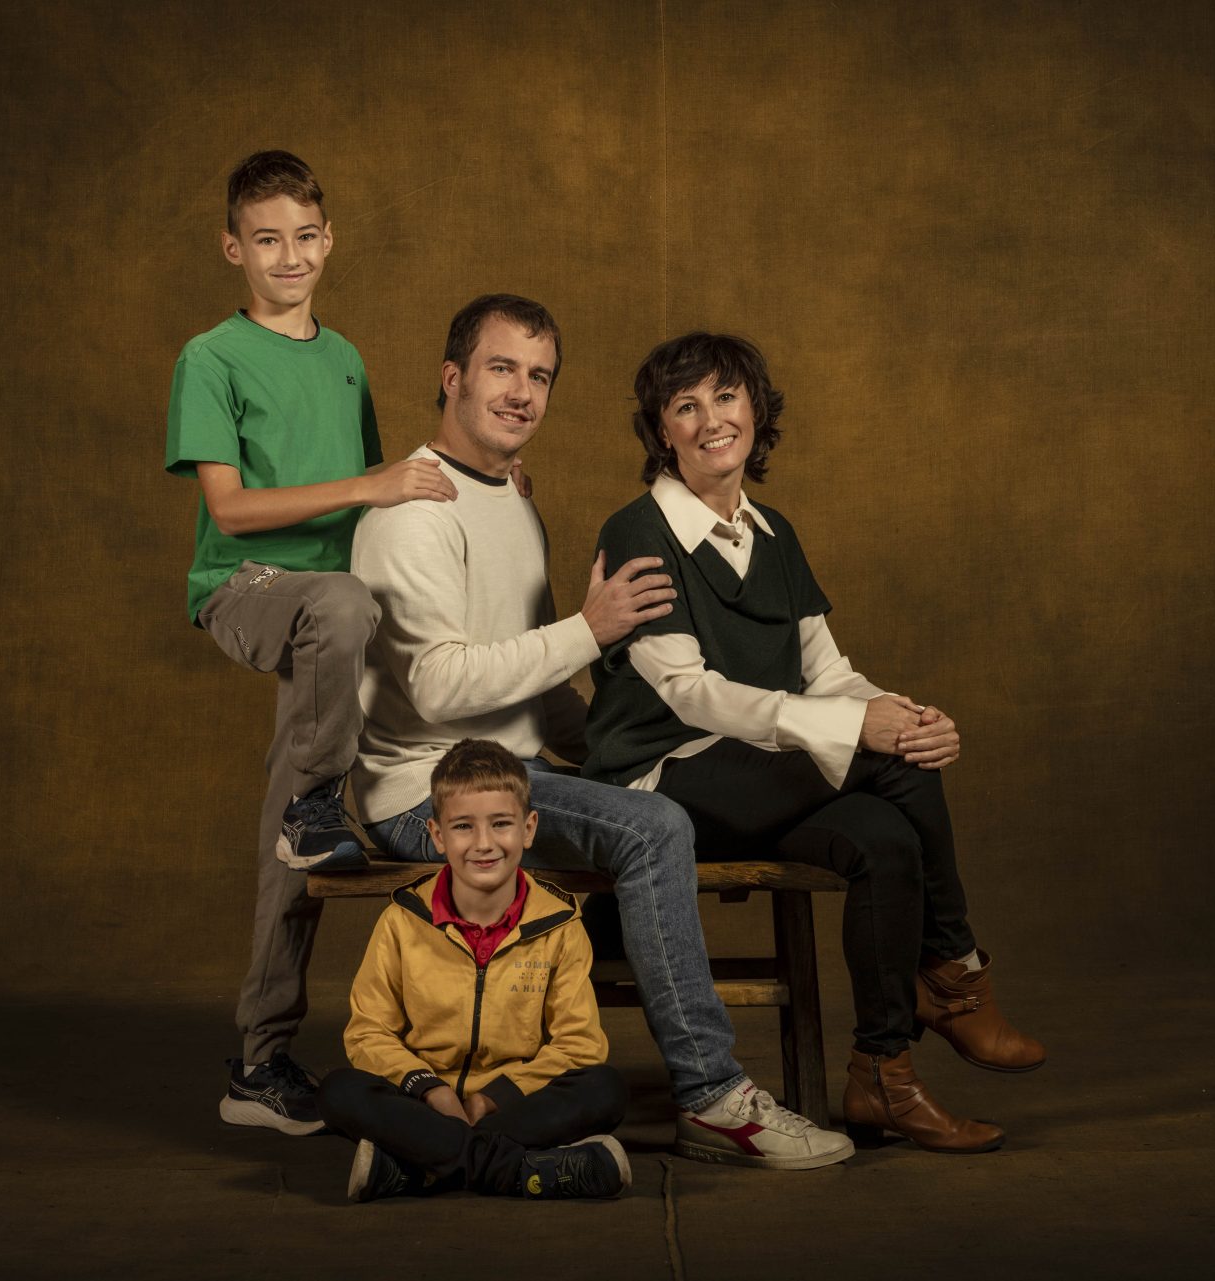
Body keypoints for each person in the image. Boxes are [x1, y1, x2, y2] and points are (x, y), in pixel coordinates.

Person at [349, 295, 854, 1170]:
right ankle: (712, 1095)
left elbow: (538, 688)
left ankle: (604, 994)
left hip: (519, 770)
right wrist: (590, 628)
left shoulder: (511, 498)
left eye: (540, 375)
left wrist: (616, 753)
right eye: (502, 368)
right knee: (654, 826)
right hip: (426, 791)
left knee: (652, 792)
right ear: (452, 377)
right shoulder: (413, 512)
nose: (523, 392)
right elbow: (435, 686)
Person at [583, 332, 1047, 1154]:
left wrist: (904, 713)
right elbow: (690, 692)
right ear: (661, 431)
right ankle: (955, 972)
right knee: (888, 761)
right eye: (686, 406)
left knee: (886, 835)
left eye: (726, 396)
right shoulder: (638, 531)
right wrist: (861, 730)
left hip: (763, 775)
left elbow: (827, 671)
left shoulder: (775, 534)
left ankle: (882, 1077)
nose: (711, 419)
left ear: (756, 409)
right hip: (663, 781)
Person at [164, 150, 462, 1134]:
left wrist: (474, 482)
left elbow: (374, 493)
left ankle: (261, 1061)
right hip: (249, 588)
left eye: (303, 236)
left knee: (292, 829)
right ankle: (317, 803)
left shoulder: (345, 358)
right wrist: (372, 487)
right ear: (232, 249)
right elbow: (231, 510)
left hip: (342, 613)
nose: (287, 256)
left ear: (328, 241)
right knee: (336, 609)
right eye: (265, 239)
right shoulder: (211, 357)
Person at [317, 740, 631, 1201]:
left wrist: (492, 1097)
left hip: (514, 1105)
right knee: (338, 1091)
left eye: (501, 824)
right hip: (423, 1103)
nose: (484, 843)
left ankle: (420, 1166)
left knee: (605, 1089)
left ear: (528, 828)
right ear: (438, 835)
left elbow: (579, 1044)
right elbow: (369, 1033)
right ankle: (515, 1170)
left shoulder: (560, 924)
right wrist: (432, 1091)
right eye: (463, 826)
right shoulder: (403, 920)